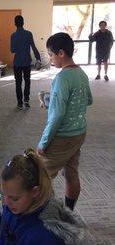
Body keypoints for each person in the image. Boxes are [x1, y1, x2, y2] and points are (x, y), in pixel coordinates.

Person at [38, 33, 92, 211]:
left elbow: (57, 115)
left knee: (40, 177)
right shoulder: (82, 74)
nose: (51, 59)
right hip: (79, 134)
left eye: (51, 55)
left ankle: (45, 215)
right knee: (71, 173)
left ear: (61, 53)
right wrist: (52, 99)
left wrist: (44, 142)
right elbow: (88, 100)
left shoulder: (62, 78)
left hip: (63, 136)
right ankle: (69, 211)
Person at [10, 15, 41, 109]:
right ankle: (26, 100)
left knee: (18, 83)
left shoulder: (13, 35)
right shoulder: (29, 34)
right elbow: (34, 47)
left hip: (17, 63)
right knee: (27, 81)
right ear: (23, 23)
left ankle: (19, 103)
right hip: (27, 62)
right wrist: (38, 59)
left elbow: (12, 50)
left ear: (15, 24)